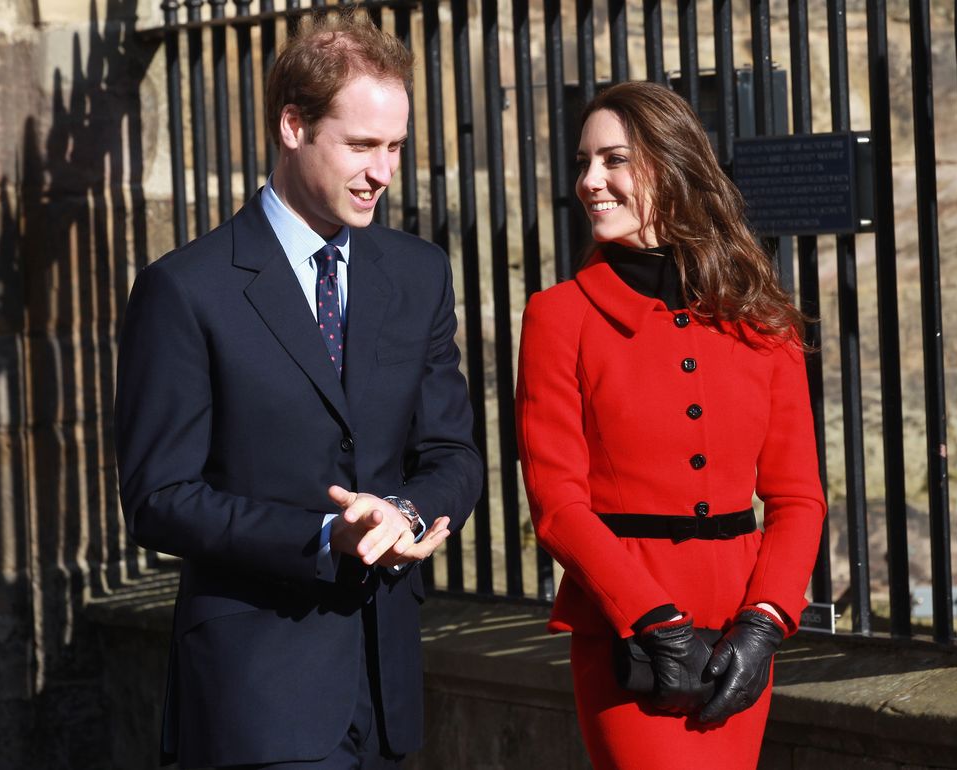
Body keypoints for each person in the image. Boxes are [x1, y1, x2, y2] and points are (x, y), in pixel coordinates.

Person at [114, 12, 482, 769]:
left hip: (386, 693)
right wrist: (322, 536)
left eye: (396, 148)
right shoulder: (185, 289)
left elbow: (452, 454)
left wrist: (403, 511)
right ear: (293, 125)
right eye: (361, 145)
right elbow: (159, 496)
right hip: (255, 694)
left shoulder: (418, 274)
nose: (383, 171)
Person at [515, 81, 827, 769]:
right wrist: (653, 618)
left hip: (740, 639)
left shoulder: (762, 321)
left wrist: (766, 623)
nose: (590, 182)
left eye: (614, 160)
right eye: (583, 162)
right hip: (628, 639)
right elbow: (558, 507)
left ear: (672, 166)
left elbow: (799, 496)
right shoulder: (557, 318)